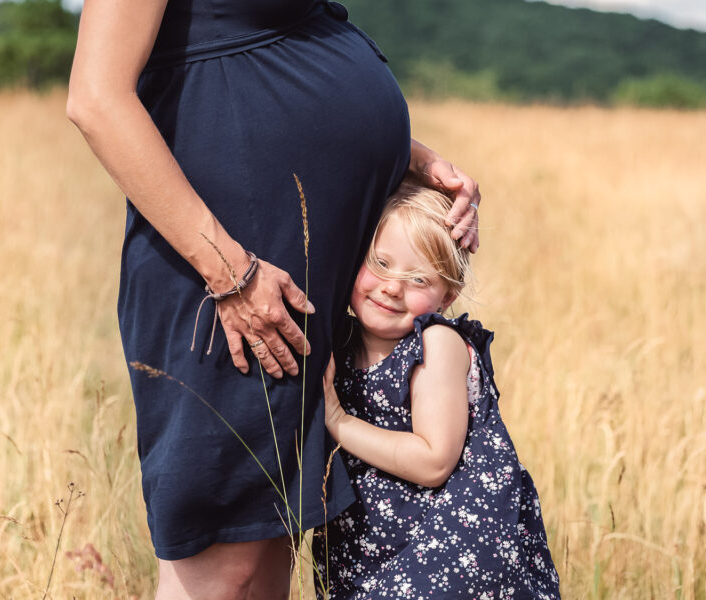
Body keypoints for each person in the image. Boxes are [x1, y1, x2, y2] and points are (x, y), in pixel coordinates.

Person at [66, 0, 481, 598]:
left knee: (267, 546)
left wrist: (414, 160)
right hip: (228, 270)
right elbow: (96, 98)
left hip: (294, 275)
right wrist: (230, 272)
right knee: (223, 560)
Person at [313, 181, 560, 599]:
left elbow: (433, 461)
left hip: (448, 544)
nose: (392, 286)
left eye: (417, 278)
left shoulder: (435, 345)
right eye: (381, 262)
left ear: (448, 295)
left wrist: (337, 421)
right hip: (372, 546)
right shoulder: (342, 338)